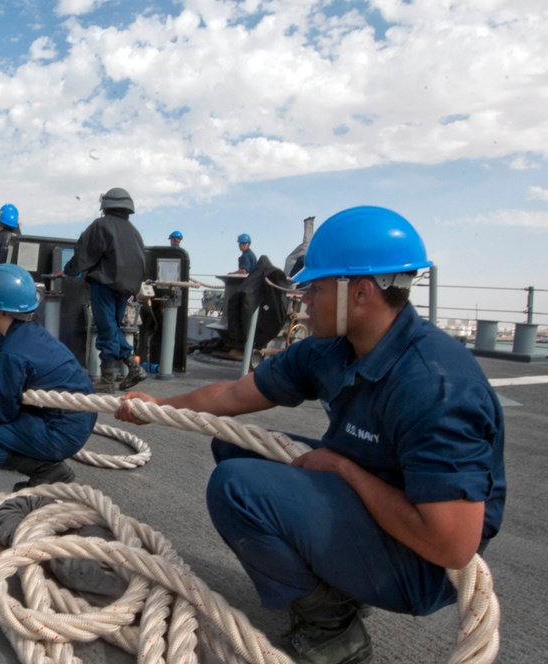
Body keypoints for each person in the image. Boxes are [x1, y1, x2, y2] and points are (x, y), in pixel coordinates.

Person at [116, 206, 505, 664]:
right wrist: (161, 409)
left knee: (237, 487)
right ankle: (338, 579)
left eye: (314, 287)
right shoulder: (332, 348)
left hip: (420, 560)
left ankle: (334, 627)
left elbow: (451, 546)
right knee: (233, 444)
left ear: (360, 292)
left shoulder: (435, 387)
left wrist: (343, 468)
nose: (301, 297)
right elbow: (238, 394)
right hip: (377, 503)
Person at [0, 264, 97, 490]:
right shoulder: (24, 332)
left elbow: (2, 413)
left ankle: (46, 470)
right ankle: (38, 457)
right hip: (75, 419)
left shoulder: (14, 353)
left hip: (61, 433)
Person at [54, 187, 147, 393]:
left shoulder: (101, 225)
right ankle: (133, 367)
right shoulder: (134, 232)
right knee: (112, 327)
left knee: (106, 330)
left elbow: (85, 252)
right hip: (126, 288)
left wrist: (68, 271)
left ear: (105, 206)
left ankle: (106, 380)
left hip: (104, 285)